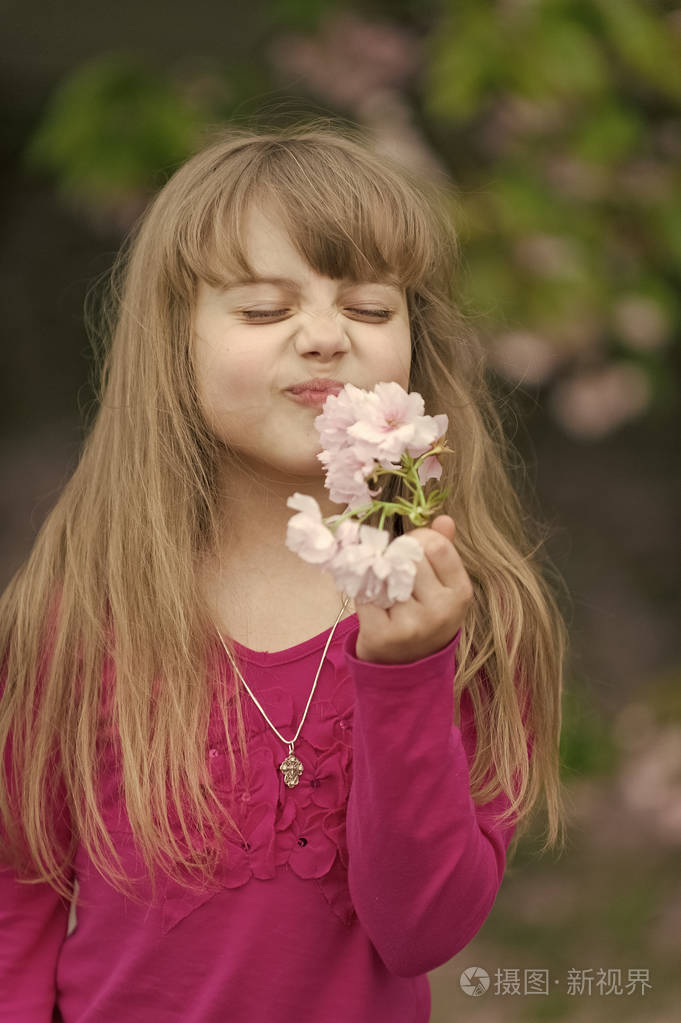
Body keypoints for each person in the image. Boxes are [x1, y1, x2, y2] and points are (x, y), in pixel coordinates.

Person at [0, 121, 569, 1022]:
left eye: (370, 309)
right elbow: (16, 903)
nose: (322, 336)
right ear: (172, 345)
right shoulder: (80, 610)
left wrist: (405, 672)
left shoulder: (473, 612)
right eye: (265, 308)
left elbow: (420, 930)